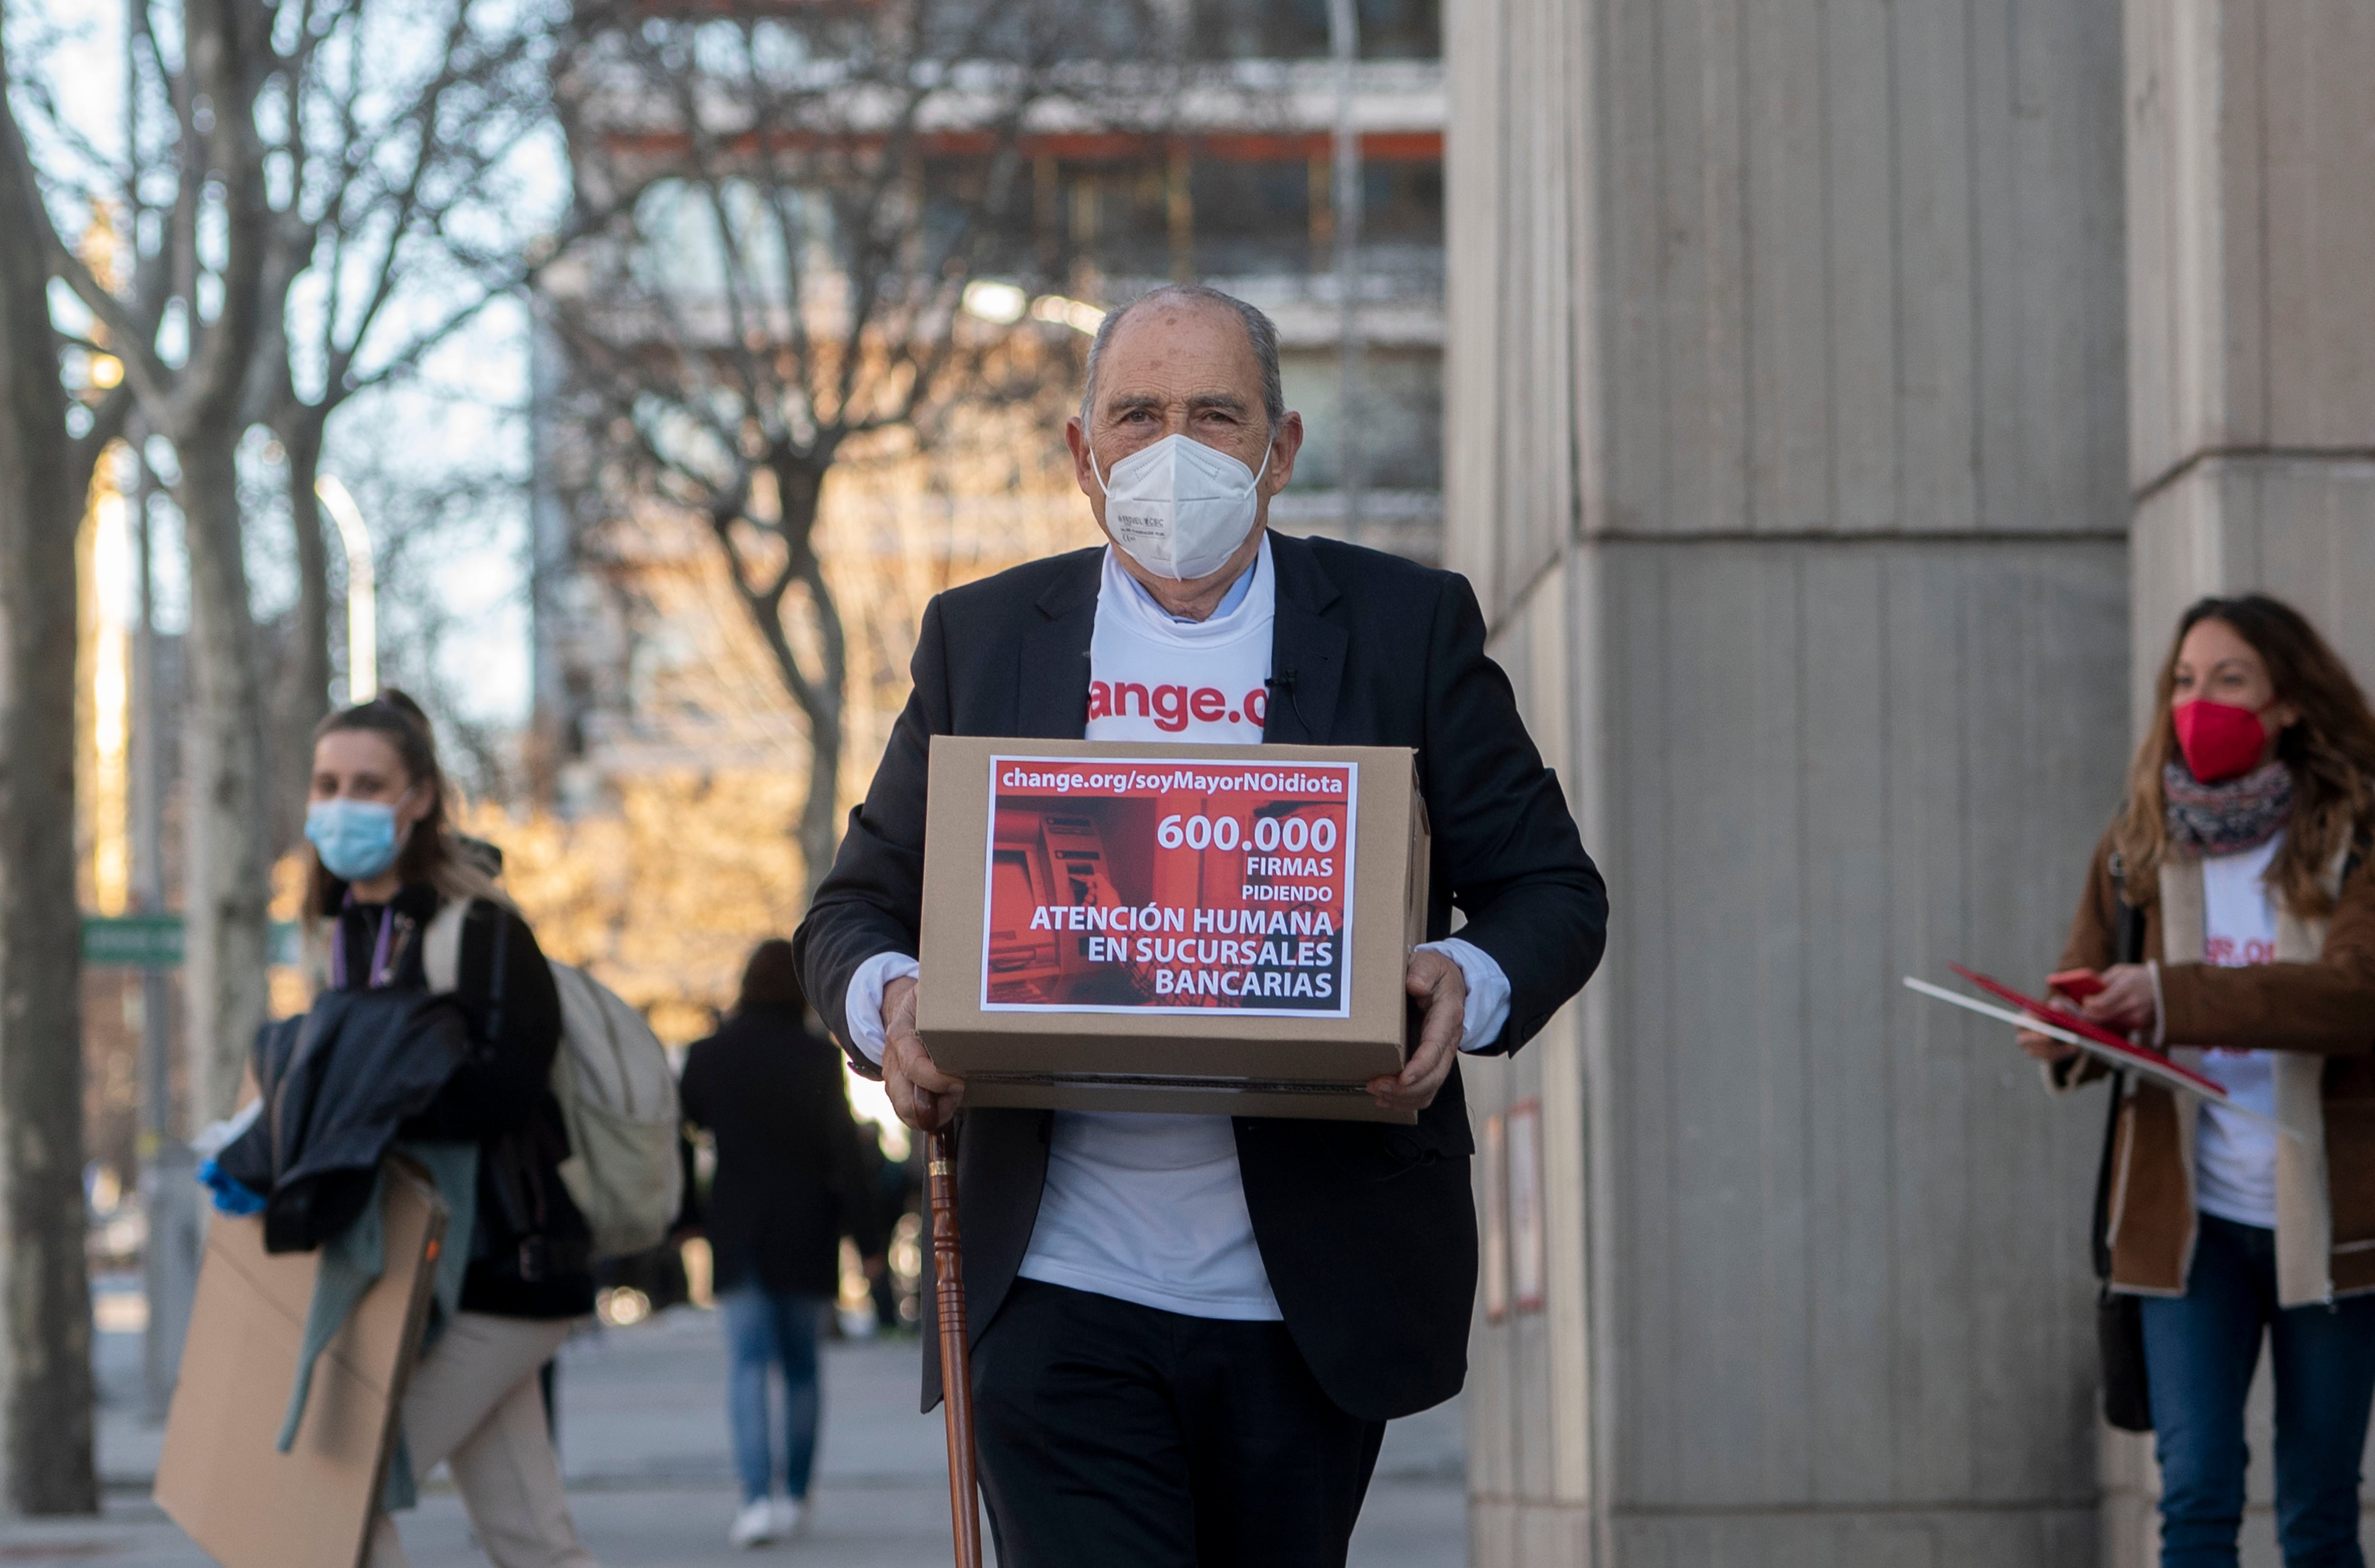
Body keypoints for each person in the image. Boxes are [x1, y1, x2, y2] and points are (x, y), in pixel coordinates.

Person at [793, 283, 1608, 1566]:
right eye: (1139, 412)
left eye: (1216, 414)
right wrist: (891, 1003)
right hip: (1054, 1288)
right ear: (1083, 453)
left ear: (1281, 450)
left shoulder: (1403, 629)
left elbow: (1553, 891)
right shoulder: (990, 637)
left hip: (1307, 1297)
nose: (1175, 448)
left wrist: (1464, 975)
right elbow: (852, 911)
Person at [2020, 596, 2375, 1568]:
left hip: (2330, 1225)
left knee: (2318, 1516)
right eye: (2182, 681)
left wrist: (2167, 997)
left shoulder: (2354, 837)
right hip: (2187, 1230)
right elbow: (2093, 988)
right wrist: (2069, 1034)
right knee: (2196, 1497)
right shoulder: (2137, 843)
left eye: (2228, 681)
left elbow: (2350, 996)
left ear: (2289, 703)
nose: (2196, 702)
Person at [303, 691, 599, 1568]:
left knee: (339, 1501)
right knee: (532, 1539)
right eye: (327, 783)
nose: (343, 803)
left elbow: (503, 1090)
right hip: (432, 1278)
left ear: (420, 796)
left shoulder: (483, 931)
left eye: (368, 783)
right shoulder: (346, 937)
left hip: (506, 1269)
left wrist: (346, 1104)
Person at [680, 939, 874, 1549]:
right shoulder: (817, 1058)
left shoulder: (709, 1056)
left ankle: (756, 1496)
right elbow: (845, 1151)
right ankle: (796, 1494)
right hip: (806, 1227)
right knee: (801, 1369)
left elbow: (679, 1137)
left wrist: (684, 1215)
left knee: (745, 1365)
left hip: (737, 1226)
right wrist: (866, 1239)